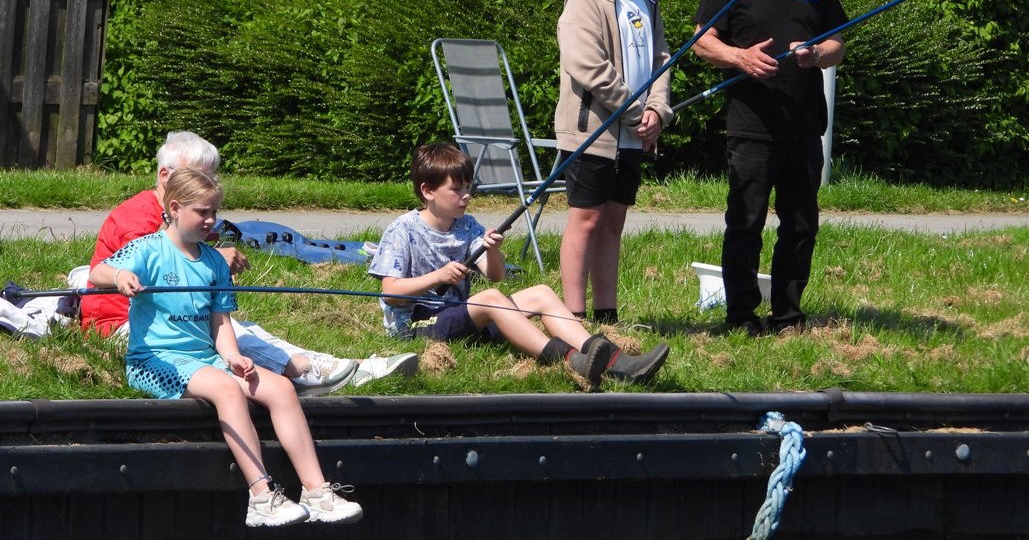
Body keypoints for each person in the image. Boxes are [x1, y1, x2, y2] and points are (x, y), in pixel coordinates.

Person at [91, 168, 363, 527]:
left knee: (281, 388)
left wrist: (233, 356)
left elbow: (220, 323)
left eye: (214, 212)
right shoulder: (147, 249)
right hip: (154, 361)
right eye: (202, 212)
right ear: (175, 208)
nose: (211, 220)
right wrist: (120, 276)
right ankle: (261, 496)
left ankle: (316, 491)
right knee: (227, 390)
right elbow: (97, 273)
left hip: (205, 359)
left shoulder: (214, 262)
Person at [77, 131, 418, 394]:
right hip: (125, 326)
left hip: (169, 319)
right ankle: (311, 372)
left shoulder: (182, 215)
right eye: (198, 178)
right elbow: (161, 286)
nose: (207, 188)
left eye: (211, 179)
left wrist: (216, 258)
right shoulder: (138, 219)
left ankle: (337, 366)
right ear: (165, 176)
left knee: (245, 329)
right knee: (236, 334)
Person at [368, 143, 669, 390]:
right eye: (456, 189)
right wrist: (438, 276)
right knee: (490, 299)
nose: (466, 195)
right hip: (417, 326)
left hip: (459, 316)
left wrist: (493, 250)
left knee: (541, 293)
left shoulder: (467, 225)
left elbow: (495, 276)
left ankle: (615, 361)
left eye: (468, 187)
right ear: (427, 191)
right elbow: (390, 293)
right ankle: (569, 360)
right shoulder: (402, 230)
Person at [691, 0, 847, 335]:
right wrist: (740, 57)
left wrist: (817, 54)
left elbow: (838, 43)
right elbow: (702, 40)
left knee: (801, 226)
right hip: (752, 127)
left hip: (803, 125)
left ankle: (788, 316)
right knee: (746, 223)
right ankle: (741, 316)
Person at [554, 0, 674, 324]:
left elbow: (661, 59)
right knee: (586, 220)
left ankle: (607, 315)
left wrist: (657, 109)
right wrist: (633, 109)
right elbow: (586, 64)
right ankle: (574, 317)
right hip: (591, 132)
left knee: (613, 223)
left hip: (632, 134)